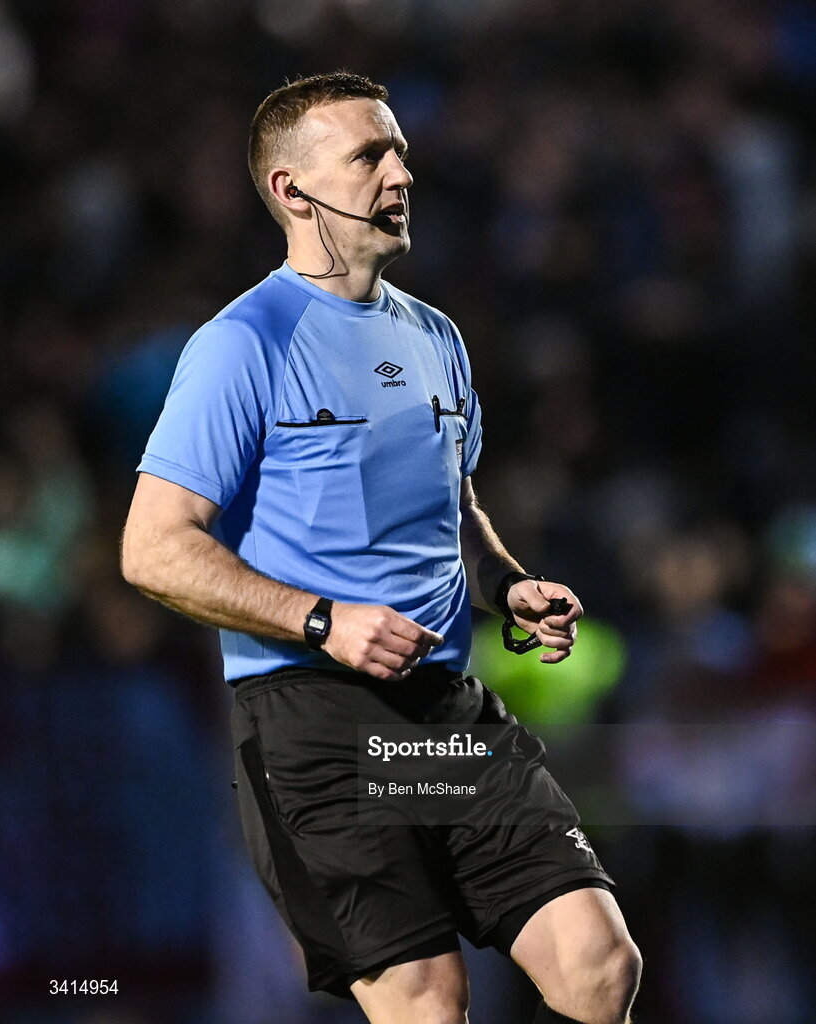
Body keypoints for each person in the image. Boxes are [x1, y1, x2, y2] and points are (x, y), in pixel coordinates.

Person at [121, 71, 641, 1024]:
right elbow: (153, 549)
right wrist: (319, 620)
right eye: (370, 154)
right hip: (314, 725)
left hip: (442, 715)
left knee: (598, 965)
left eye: (399, 150)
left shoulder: (436, 335)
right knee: (426, 1002)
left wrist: (509, 588)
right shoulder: (242, 344)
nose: (402, 171)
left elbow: (457, 510)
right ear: (291, 189)